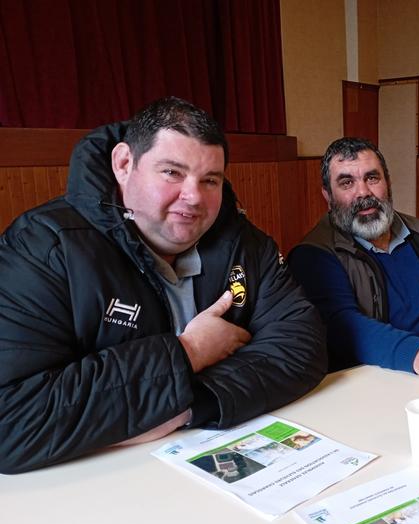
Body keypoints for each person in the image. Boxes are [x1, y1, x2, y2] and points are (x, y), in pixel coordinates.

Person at [0, 97, 326, 474]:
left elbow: (302, 345)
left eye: (210, 180)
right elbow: (12, 420)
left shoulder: (246, 244)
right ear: (124, 164)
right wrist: (189, 352)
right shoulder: (42, 247)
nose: (194, 197)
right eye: (172, 172)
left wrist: (191, 406)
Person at [288, 137, 419, 383]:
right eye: (347, 183)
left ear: (387, 183)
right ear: (328, 196)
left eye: (372, 178)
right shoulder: (314, 254)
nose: (364, 192)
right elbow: (341, 325)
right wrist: (417, 353)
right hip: (381, 376)